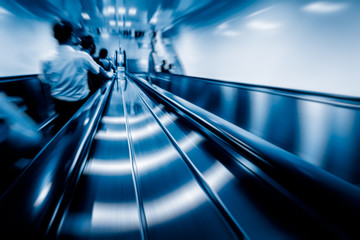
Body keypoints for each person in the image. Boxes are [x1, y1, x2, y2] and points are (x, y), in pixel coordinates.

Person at [41, 20, 113, 132]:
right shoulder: (82, 56)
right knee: (80, 128)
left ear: (55, 36)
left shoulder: (46, 59)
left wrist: (48, 108)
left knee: (63, 127)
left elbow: (45, 84)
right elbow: (99, 70)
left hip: (58, 103)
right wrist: (109, 75)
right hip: (79, 103)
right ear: (71, 36)